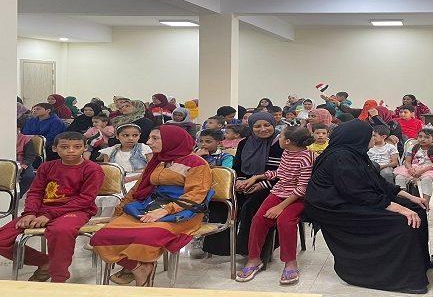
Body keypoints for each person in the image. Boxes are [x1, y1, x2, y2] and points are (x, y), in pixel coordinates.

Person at [304, 120, 433, 293]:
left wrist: (411, 197)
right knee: (402, 221)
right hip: (334, 208)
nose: (373, 140)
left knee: (417, 208)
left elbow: (378, 182)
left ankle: (419, 262)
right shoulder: (340, 157)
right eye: (371, 136)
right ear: (357, 137)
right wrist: (399, 208)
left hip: (352, 199)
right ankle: (406, 279)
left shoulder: (355, 153)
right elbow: (357, 193)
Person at [91, 125, 212, 287]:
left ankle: (137, 267)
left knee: (146, 237)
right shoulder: (158, 160)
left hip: (183, 212)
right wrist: (118, 211)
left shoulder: (196, 163)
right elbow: (137, 188)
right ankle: (138, 266)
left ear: (171, 140)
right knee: (102, 237)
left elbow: (195, 195)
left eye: (155, 138)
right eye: (149, 138)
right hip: (149, 206)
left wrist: (164, 211)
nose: (148, 142)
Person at [0, 132, 103, 282]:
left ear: (84, 148)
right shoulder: (46, 167)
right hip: (42, 210)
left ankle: (58, 279)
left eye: (77, 147)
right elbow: (35, 192)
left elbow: (85, 199)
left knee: (60, 231)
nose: (71, 151)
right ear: (55, 148)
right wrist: (30, 213)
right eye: (65, 147)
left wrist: (49, 215)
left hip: (76, 210)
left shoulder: (92, 169)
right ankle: (45, 262)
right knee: (2, 239)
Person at [236, 126, 315, 284]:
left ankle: (290, 262)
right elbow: (281, 172)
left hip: (297, 197)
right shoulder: (287, 152)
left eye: (281, 136)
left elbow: (302, 188)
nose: (278, 139)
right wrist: (257, 177)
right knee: (258, 219)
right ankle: (254, 259)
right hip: (279, 192)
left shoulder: (307, 158)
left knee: (285, 222)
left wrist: (280, 207)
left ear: (288, 141)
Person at [202, 112, 283, 256]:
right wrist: (239, 181)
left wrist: (260, 185)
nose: (263, 129)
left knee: (250, 206)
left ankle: (251, 250)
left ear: (273, 125)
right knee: (220, 203)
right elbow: (237, 167)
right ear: (251, 127)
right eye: (257, 126)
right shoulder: (245, 143)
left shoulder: (280, 144)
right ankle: (222, 248)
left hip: (272, 185)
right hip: (245, 182)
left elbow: (284, 172)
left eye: (267, 125)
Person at [394, 128, 433, 205]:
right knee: (399, 177)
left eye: (427, 137)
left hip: (431, 169)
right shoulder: (412, 147)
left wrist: (422, 170)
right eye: (420, 136)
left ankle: (425, 203)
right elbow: (407, 161)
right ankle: (403, 201)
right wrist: (410, 169)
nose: (422, 139)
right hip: (414, 167)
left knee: (426, 179)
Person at [16, 118, 38, 196]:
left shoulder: (25, 139)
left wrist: (23, 165)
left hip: (22, 162)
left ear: (18, 128)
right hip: (5, 162)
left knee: (29, 176)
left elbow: (30, 155)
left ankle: (17, 196)